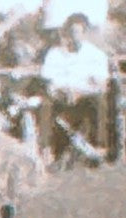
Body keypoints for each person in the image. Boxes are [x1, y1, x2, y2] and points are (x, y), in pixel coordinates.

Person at [39, 12, 111, 164]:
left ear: (85, 33)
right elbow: (49, 83)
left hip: (85, 97)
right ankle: (46, 149)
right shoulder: (54, 54)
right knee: (46, 103)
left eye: (78, 32)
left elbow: (101, 86)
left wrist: (79, 92)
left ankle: (99, 146)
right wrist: (62, 92)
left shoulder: (96, 55)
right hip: (60, 96)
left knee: (99, 102)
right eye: (71, 32)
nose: (74, 37)